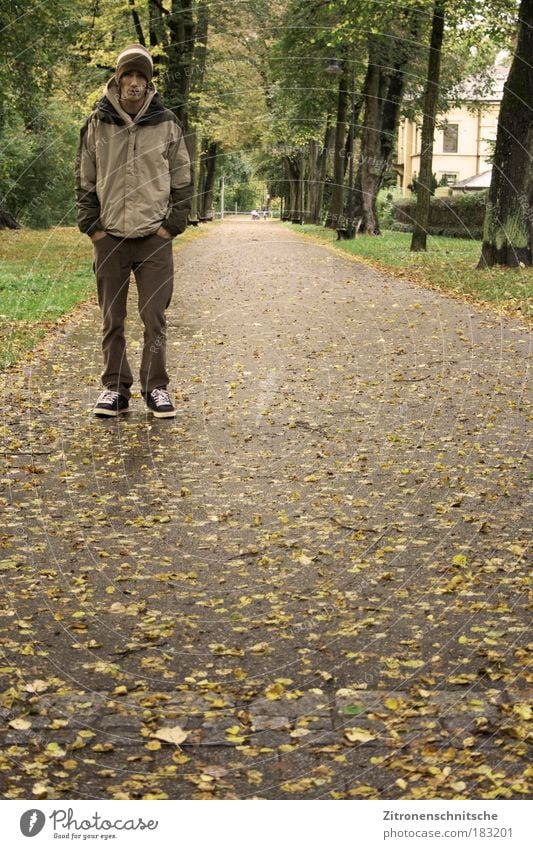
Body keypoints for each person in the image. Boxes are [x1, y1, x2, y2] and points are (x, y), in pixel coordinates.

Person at [75, 44, 193, 418]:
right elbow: (84, 179)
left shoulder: (167, 124)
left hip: (153, 240)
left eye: (142, 76)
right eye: (129, 75)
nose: (135, 82)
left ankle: (156, 388)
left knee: (154, 316)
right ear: (118, 78)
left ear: (148, 82)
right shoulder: (97, 123)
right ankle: (115, 388)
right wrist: (93, 229)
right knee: (113, 317)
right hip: (109, 238)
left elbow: (184, 180)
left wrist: (170, 227)